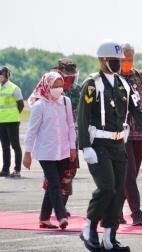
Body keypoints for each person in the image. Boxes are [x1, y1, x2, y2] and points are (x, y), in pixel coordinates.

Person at [78, 41, 142, 252]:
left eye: (120, 60)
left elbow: (138, 112)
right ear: (101, 60)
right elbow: (82, 117)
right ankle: (89, 228)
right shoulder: (92, 84)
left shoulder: (124, 85)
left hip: (119, 144)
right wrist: (85, 146)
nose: (118, 64)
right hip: (98, 144)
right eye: (113, 60)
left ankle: (109, 237)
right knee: (106, 187)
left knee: (117, 192)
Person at [22, 72, 76, 230]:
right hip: (46, 152)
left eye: (61, 85)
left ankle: (44, 218)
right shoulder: (40, 106)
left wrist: (72, 147)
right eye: (55, 86)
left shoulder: (65, 102)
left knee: (55, 184)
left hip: (64, 151)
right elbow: (32, 131)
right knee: (54, 184)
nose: (59, 89)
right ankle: (61, 217)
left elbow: (71, 126)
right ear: (47, 86)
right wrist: (27, 153)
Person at [117, 43, 142, 226]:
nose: (127, 62)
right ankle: (136, 214)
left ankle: (116, 211)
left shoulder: (140, 77)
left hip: (140, 133)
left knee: (131, 175)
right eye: (124, 59)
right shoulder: (112, 78)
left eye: (130, 59)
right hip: (120, 134)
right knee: (129, 174)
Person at [41, 58, 81, 216]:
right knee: (52, 177)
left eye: (72, 77)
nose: (70, 80)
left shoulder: (77, 91)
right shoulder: (48, 89)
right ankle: (50, 209)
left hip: (71, 139)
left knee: (69, 173)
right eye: (68, 77)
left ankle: (62, 206)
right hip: (52, 139)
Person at [0, 66, 24, 178]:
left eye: (2, 75)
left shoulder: (14, 88)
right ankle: (5, 170)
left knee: (15, 145)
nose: (0, 77)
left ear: (7, 76)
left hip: (12, 121)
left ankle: (17, 169)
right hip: (1, 121)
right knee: (4, 146)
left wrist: (14, 115)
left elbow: (21, 105)